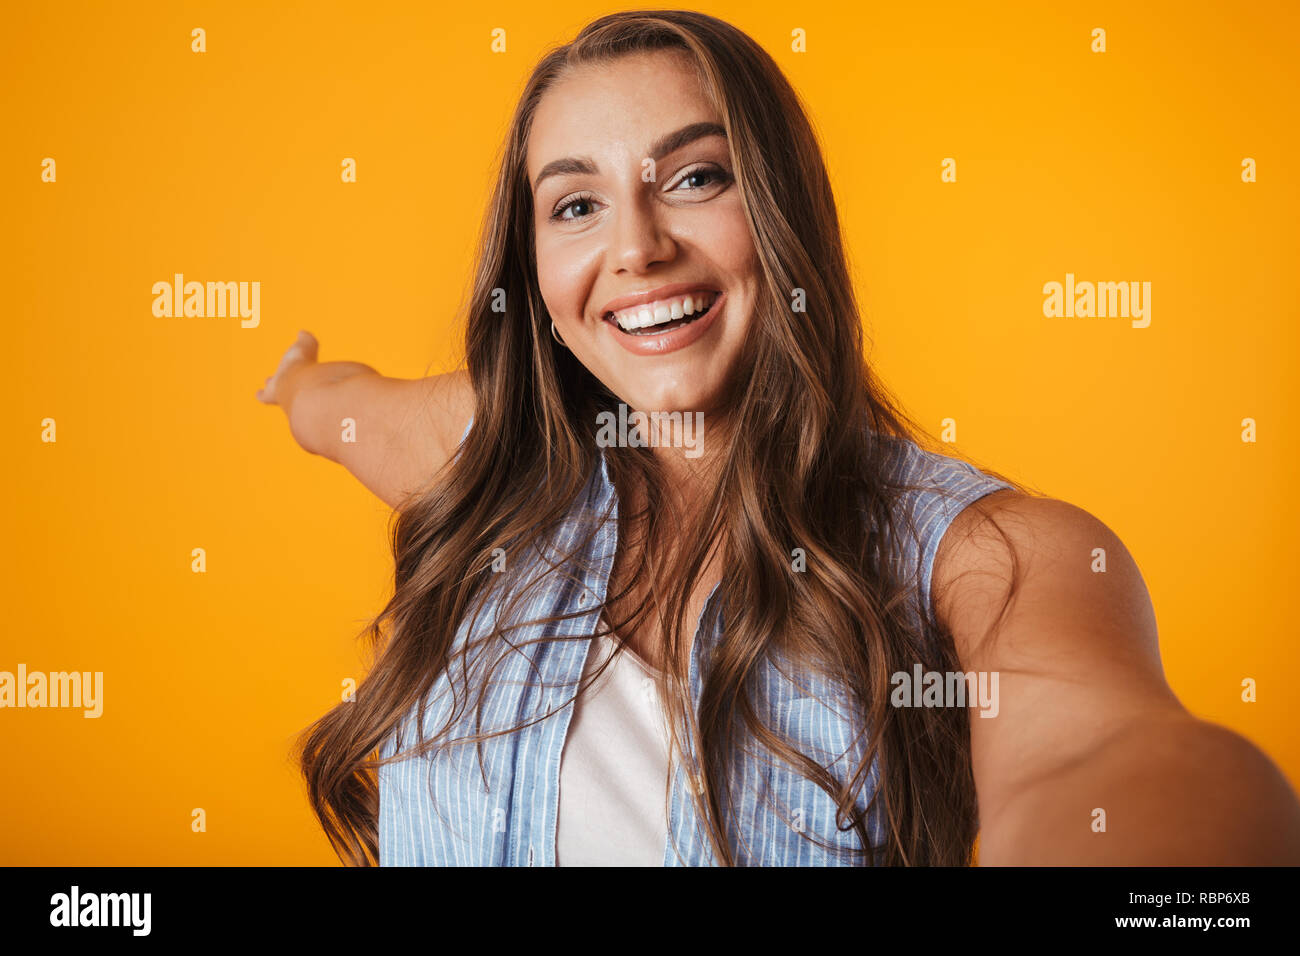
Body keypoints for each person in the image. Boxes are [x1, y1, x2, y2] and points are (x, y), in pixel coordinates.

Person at [256, 10, 1300, 866]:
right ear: (532, 266)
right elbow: (341, 405)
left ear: (782, 208)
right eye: (575, 203)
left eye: (696, 178)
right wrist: (298, 381)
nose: (636, 247)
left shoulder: (984, 556)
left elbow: (1103, 755)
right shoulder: (484, 456)